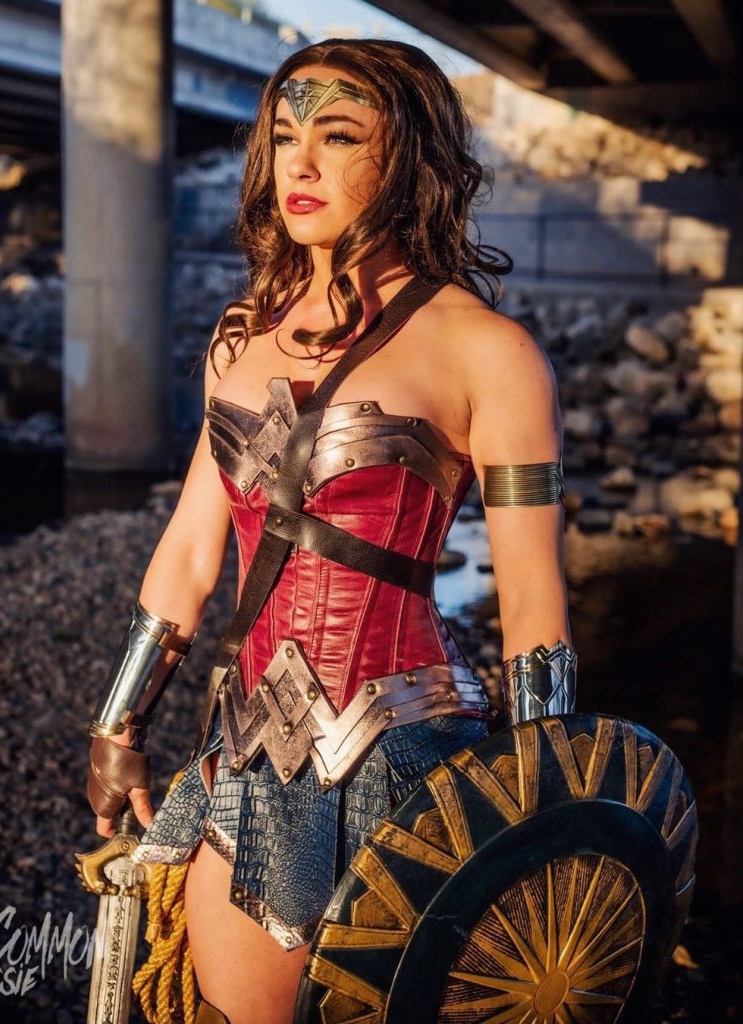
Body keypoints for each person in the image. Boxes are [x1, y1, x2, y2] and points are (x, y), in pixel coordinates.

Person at [85, 37, 574, 1024]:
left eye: (339, 135)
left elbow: (530, 593)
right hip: (249, 751)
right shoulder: (241, 336)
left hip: (417, 759)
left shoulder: (489, 352)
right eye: (283, 136)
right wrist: (115, 724)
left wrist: (545, 812)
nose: (298, 164)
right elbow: (192, 546)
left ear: (410, 155)